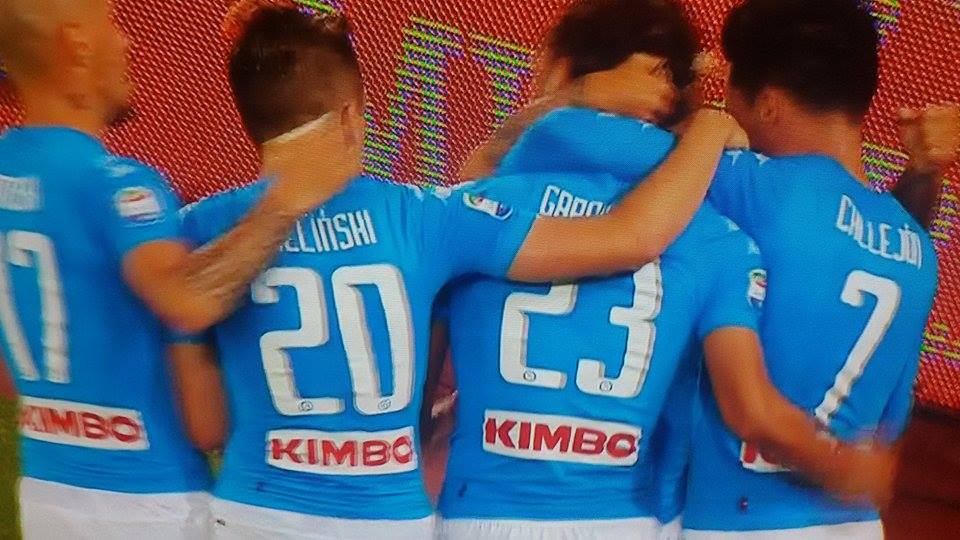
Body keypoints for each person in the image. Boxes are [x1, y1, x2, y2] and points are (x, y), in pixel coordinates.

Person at [166, 1, 748, 538]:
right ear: (351, 116)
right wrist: (709, 126)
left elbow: (205, 425)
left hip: (254, 510)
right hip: (400, 520)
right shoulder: (425, 217)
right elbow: (632, 236)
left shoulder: (194, 230)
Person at [478, 0, 941, 537]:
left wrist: (585, 94)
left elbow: (552, 145)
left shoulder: (749, 186)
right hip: (856, 523)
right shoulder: (917, 247)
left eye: (731, 98)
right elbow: (887, 430)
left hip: (734, 524)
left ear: (767, 105)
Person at [0, 0, 363, 537]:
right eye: (113, 26)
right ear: (77, 46)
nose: (127, 43)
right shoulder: (118, 185)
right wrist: (288, 199)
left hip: (46, 490)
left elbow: (9, 374)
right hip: (147, 501)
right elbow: (188, 301)